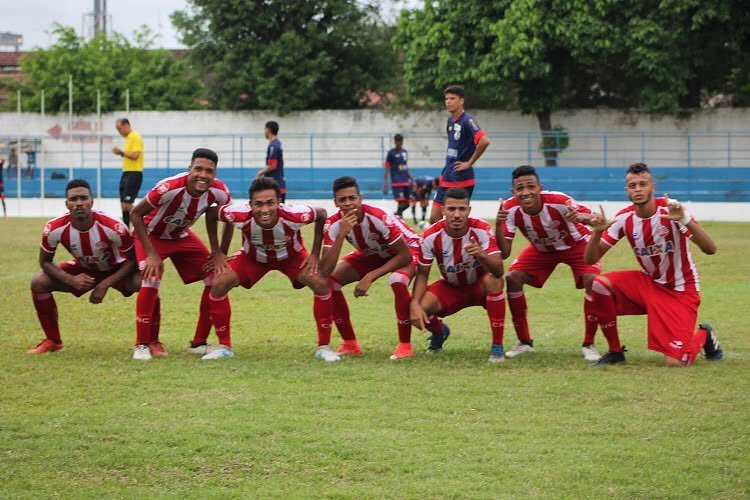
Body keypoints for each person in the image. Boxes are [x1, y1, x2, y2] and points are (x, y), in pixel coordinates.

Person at [583, 162, 723, 367]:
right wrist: (596, 232)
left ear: (653, 187)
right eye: (632, 186)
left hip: (680, 290)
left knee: (675, 362)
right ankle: (615, 352)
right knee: (599, 284)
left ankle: (704, 335)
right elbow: (590, 260)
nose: (638, 189)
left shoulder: (672, 211)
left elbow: (710, 249)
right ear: (627, 190)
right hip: (649, 283)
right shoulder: (624, 218)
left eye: (643, 184)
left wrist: (684, 219)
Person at [203, 177, 334, 360]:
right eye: (259, 204)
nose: (265, 210)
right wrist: (217, 252)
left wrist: (314, 254)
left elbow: (321, 214)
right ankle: (224, 347)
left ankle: (324, 347)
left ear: (279, 202)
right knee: (218, 283)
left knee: (321, 283)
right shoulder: (239, 214)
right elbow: (211, 214)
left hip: (292, 257)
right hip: (252, 258)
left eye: (270, 203)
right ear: (250, 205)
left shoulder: (295, 215)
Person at [129, 148, 232, 361]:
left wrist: (220, 252)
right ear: (189, 169)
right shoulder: (169, 188)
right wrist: (151, 253)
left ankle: (199, 343)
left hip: (181, 236)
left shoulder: (219, 191)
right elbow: (135, 214)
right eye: (198, 169)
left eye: (209, 171)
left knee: (215, 277)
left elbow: (228, 218)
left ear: (215, 173)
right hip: (151, 235)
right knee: (150, 277)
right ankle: (141, 345)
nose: (203, 175)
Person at [495, 165, 603, 361]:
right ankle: (524, 342)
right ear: (513, 192)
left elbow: (596, 218)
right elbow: (504, 253)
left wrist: (583, 217)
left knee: (592, 281)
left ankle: (589, 344)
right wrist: (498, 225)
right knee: (513, 278)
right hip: (542, 250)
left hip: (577, 245)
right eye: (520, 188)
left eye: (531, 187)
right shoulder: (510, 209)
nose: (526, 192)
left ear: (540, 188)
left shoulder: (559, 201)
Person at [28, 179, 141, 354]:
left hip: (116, 269)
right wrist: (70, 279)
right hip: (84, 269)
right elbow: (45, 261)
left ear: (92, 201)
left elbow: (133, 260)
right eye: (73, 199)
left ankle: (150, 341)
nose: (79, 203)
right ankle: (53, 341)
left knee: (146, 281)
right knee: (38, 281)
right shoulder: (53, 228)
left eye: (83, 198)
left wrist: (105, 284)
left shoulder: (114, 226)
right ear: (67, 204)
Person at [321, 176, 422, 360]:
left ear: (361, 198)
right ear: (335, 202)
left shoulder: (378, 217)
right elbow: (325, 269)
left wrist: (370, 276)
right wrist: (341, 235)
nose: (348, 203)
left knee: (397, 280)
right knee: (329, 282)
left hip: (409, 249)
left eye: (352, 198)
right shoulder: (332, 224)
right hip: (373, 253)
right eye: (342, 199)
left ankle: (405, 346)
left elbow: (404, 255)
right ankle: (350, 343)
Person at [410, 188, 507, 362]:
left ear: (469, 210)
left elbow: (499, 271)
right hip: (450, 287)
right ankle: (440, 332)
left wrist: (481, 255)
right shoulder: (431, 235)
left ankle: (497, 348)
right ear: (443, 210)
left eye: (462, 209)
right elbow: (423, 274)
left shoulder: (482, 229)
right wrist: (415, 303)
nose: (456, 214)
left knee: (495, 280)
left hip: (479, 285)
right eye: (451, 209)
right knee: (414, 311)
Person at [429, 85, 490, 224]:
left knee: (458, 220)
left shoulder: (467, 120)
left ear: (461, 101)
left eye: (452, 98)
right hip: (447, 175)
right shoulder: (450, 121)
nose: (448, 102)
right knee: (434, 218)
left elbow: (484, 141)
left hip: (461, 178)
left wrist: (469, 163)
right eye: (446, 99)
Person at [112, 118, 144, 227]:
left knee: (127, 205)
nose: (119, 132)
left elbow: (135, 156)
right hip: (126, 173)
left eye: (120, 129)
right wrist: (121, 153)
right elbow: (128, 155)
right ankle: (126, 229)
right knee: (123, 205)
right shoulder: (128, 138)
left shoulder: (135, 136)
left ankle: (146, 219)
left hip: (134, 174)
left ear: (126, 125)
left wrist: (121, 152)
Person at [382, 133, 415, 219]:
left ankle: (395, 215)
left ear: (402, 142)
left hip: (406, 181)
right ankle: (400, 218)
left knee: (407, 203)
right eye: (397, 142)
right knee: (401, 202)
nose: (399, 144)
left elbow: (406, 167)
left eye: (400, 142)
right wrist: (385, 184)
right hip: (396, 181)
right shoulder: (391, 153)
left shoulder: (405, 152)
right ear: (395, 142)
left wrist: (412, 180)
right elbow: (386, 168)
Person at [255, 120, 286, 203]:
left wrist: (260, 173)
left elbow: (273, 166)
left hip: (275, 187)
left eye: (264, 129)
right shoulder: (278, 143)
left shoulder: (273, 146)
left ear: (268, 130)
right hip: (279, 184)